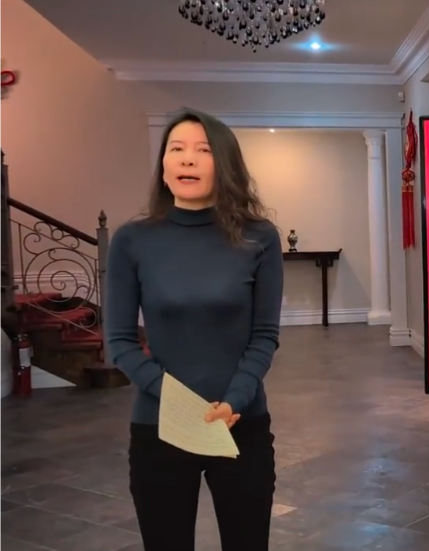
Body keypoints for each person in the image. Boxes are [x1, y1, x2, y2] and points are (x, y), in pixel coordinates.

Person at [104, 108, 283, 551]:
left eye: (203, 150)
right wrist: (178, 401)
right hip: (159, 427)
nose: (187, 159)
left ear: (225, 164)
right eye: (176, 149)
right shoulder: (132, 240)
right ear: (164, 165)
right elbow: (120, 342)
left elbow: (264, 335)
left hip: (240, 424)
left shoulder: (259, 237)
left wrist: (234, 400)